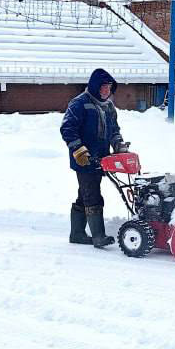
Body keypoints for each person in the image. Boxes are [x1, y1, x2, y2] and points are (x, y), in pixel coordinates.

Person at [61, 68, 129, 248]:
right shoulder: (79, 103)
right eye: (103, 87)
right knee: (92, 196)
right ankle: (98, 236)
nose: (106, 91)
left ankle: (76, 234)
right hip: (84, 159)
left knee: (84, 195)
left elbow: (114, 130)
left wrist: (119, 145)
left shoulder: (108, 107)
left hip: (101, 159)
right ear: (94, 86)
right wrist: (79, 150)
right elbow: (67, 129)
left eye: (109, 88)